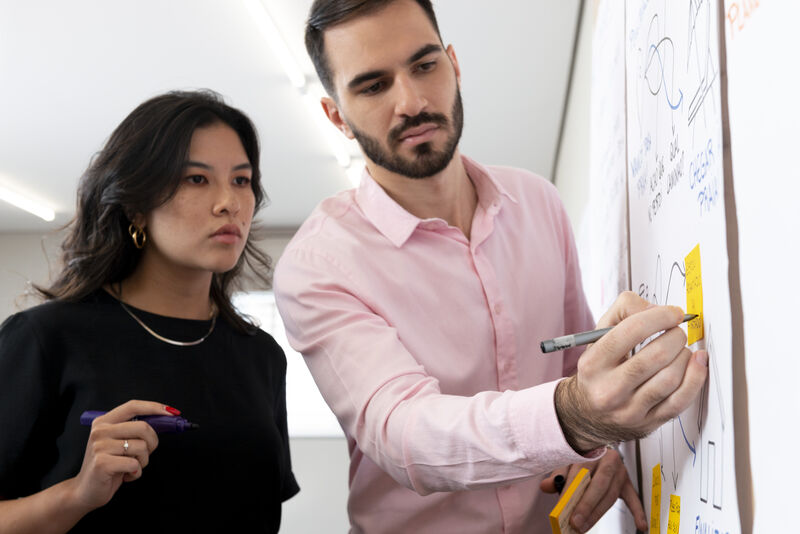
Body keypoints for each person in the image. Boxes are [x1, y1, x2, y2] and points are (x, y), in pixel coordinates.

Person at [273, 1, 708, 533]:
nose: (411, 101)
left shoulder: (537, 203)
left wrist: (594, 445)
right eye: (373, 86)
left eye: (425, 65)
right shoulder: (318, 265)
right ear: (336, 115)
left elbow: (574, 371)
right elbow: (404, 434)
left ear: (454, 64)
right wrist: (572, 415)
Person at [0, 90, 299, 533]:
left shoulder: (262, 356)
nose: (229, 203)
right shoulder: (45, 338)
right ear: (137, 206)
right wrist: (77, 493)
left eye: (241, 180)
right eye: (197, 179)